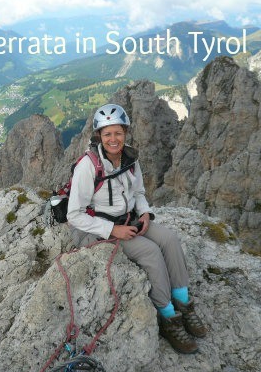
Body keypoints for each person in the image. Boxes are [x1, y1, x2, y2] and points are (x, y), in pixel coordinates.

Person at [66, 103, 207, 354]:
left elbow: (139, 192)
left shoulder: (130, 159)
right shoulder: (88, 166)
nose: (113, 139)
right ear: (99, 135)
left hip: (130, 219)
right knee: (151, 252)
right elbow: (74, 214)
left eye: (118, 133)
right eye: (107, 134)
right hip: (101, 230)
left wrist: (144, 213)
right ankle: (167, 315)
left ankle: (183, 302)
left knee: (170, 239)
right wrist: (112, 230)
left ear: (126, 133)